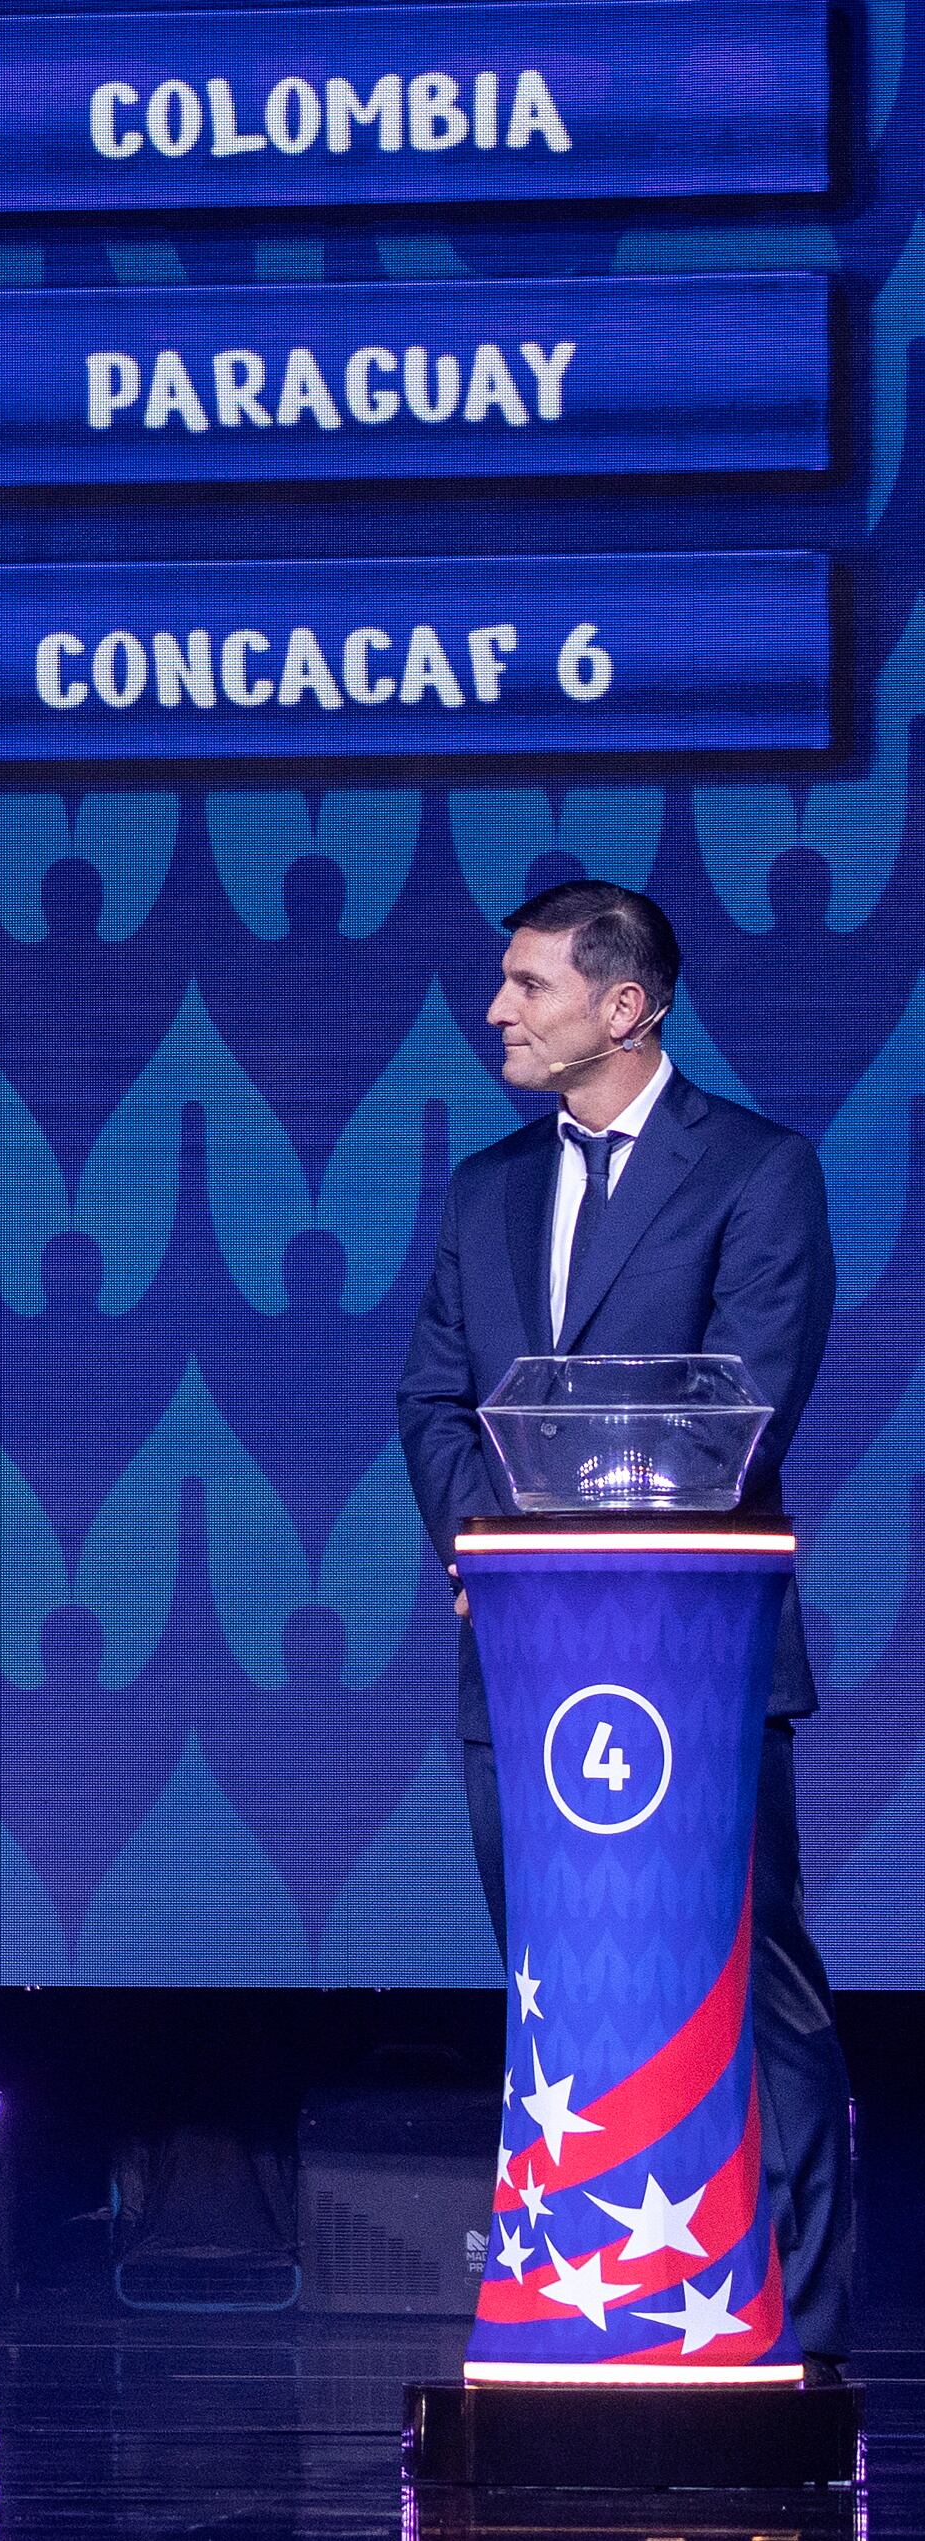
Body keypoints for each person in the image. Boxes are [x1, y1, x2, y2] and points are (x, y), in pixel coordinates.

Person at [397, 875, 850, 2365]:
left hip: (686, 1660)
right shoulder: (486, 1187)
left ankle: (797, 2325)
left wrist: (598, 1551)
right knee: (555, 1978)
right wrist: (492, 1550)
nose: (498, 1010)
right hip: (519, 1654)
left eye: (527, 985)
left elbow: (749, 1396)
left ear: (624, 1004)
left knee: (749, 1979)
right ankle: (588, 2306)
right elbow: (435, 1395)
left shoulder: (757, 1170)